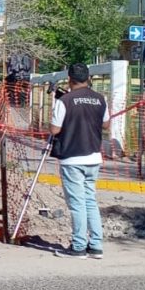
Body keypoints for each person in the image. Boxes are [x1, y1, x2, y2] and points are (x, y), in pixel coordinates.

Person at [50, 63, 110, 260]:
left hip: (72, 157)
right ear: (88, 78)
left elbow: (54, 130)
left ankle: (78, 247)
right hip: (93, 157)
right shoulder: (100, 99)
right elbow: (106, 124)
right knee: (90, 201)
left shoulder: (65, 100)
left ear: (69, 79)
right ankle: (96, 246)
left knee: (77, 204)